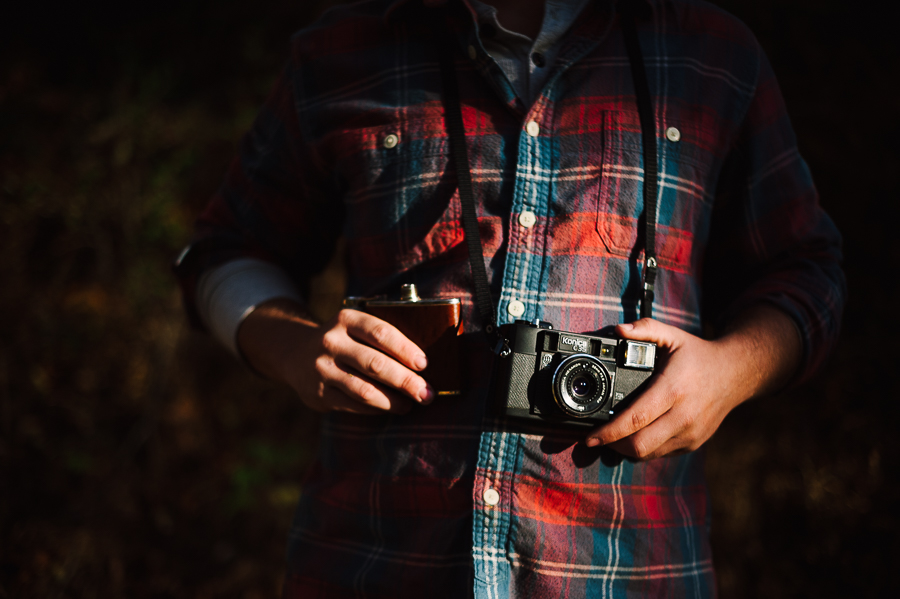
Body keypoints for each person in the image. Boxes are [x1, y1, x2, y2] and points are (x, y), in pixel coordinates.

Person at [174, 0, 845, 596]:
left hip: (626, 570)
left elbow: (806, 270)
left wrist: (731, 370)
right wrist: (293, 346)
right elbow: (225, 249)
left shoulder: (710, 52)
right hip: (372, 563)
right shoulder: (341, 49)